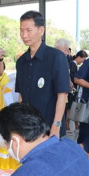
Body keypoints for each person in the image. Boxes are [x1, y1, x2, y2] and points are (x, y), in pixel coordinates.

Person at [16, 10, 70, 138]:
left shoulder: (56, 57)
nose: (24, 35)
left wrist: (56, 125)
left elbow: (62, 94)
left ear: (41, 30)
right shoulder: (21, 61)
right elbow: (21, 96)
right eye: (21, 30)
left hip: (49, 128)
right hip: (28, 129)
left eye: (28, 30)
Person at [66, 50, 88, 133]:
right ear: (79, 57)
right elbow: (73, 77)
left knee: (73, 107)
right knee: (69, 107)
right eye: (83, 59)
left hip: (74, 89)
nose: (83, 61)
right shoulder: (72, 64)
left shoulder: (74, 65)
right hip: (71, 89)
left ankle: (75, 124)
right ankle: (67, 124)